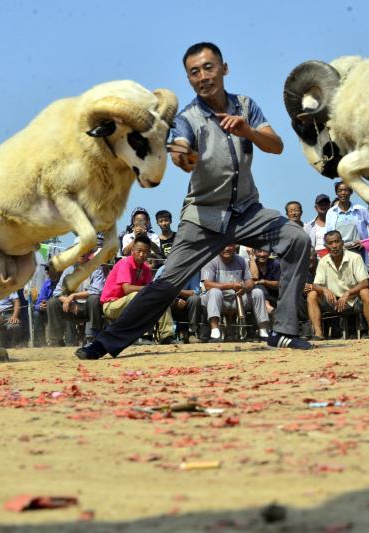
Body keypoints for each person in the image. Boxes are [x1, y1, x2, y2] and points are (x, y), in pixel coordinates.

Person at [77, 41, 312, 359]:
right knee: (166, 283)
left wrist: (249, 132)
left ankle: (284, 331)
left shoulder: (246, 106)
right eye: (194, 72)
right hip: (203, 217)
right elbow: (181, 149)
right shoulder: (187, 118)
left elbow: (276, 145)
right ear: (189, 79)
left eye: (208, 68)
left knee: (297, 239)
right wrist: (183, 156)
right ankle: (106, 343)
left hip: (247, 211)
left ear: (224, 69)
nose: (203, 76)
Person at [100, 235, 174, 343]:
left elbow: (150, 290)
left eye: (145, 252)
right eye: (139, 251)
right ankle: (143, 336)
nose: (142, 254)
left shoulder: (145, 268)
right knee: (139, 296)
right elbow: (127, 289)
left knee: (159, 298)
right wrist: (151, 288)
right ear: (132, 251)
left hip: (129, 304)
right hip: (111, 305)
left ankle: (167, 336)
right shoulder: (125, 263)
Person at [308, 230, 369, 339]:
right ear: (326, 246)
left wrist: (348, 293)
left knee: (365, 292)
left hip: (353, 301)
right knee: (312, 294)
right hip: (333, 302)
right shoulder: (323, 261)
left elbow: (365, 282)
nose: (334, 246)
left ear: (342, 243)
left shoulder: (355, 257)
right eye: (330, 243)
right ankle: (318, 334)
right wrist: (325, 290)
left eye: (337, 241)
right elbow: (316, 285)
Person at [201, 243, 271, 340]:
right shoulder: (211, 261)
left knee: (257, 292)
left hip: (237, 299)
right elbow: (207, 285)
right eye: (224, 245)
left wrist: (244, 288)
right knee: (215, 292)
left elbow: (250, 282)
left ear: (235, 247)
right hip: (216, 301)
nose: (227, 249)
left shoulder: (241, 260)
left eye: (230, 245)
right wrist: (231, 285)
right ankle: (214, 330)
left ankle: (263, 329)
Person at [47, 251, 106, 346]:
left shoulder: (96, 268)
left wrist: (74, 296)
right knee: (52, 302)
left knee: (94, 299)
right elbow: (57, 292)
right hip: (71, 306)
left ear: (89, 254)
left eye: (84, 249)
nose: (82, 253)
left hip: (88, 306)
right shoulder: (68, 270)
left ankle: (93, 337)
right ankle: (56, 340)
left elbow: (97, 290)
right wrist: (68, 301)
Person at [325, 181, 369, 260]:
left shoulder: (360, 209)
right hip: (339, 251)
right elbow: (328, 233)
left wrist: (366, 242)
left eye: (346, 190)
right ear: (336, 193)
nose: (343, 193)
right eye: (340, 191)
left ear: (351, 192)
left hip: (357, 250)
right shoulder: (331, 212)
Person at [33, 264, 61, 347]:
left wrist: (48, 304)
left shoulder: (63, 283)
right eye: (47, 270)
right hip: (48, 312)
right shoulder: (46, 284)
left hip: (61, 312)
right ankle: (41, 342)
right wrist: (41, 306)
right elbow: (38, 304)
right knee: (36, 314)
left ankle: (58, 340)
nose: (47, 272)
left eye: (49, 270)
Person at [250, 247, 280, 313]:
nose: (262, 254)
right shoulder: (251, 263)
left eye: (265, 251)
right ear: (254, 252)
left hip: (274, 296)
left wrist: (264, 282)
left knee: (259, 284)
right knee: (258, 286)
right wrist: (252, 258)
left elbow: (278, 284)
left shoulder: (275, 263)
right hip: (257, 297)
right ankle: (268, 307)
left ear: (269, 252)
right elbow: (254, 277)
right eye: (259, 251)